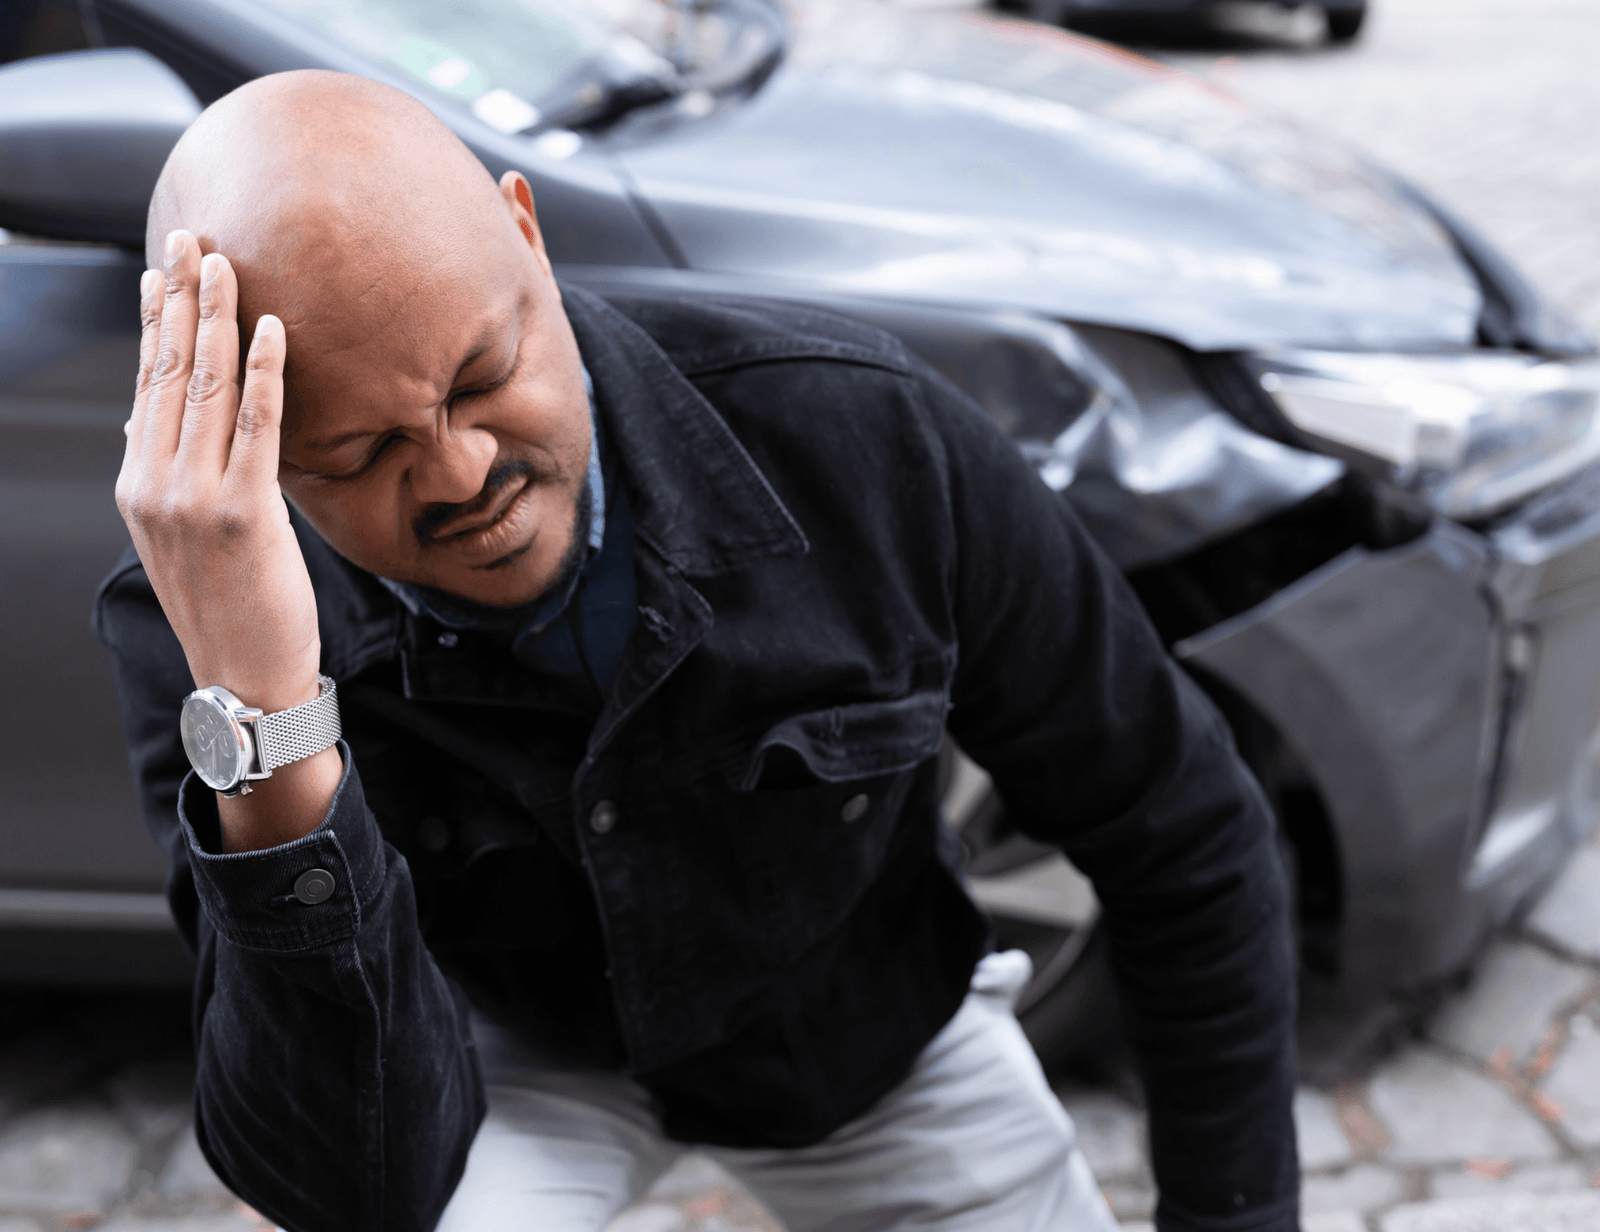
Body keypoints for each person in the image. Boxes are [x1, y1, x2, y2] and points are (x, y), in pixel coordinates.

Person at [94, 68, 1299, 1232]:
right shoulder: (203, 626)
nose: (460, 472)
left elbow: (1179, 830)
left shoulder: (865, 438)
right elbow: (344, 1185)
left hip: (858, 1034)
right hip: (486, 1061)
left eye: (483, 376)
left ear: (529, 236)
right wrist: (269, 716)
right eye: (359, 456)